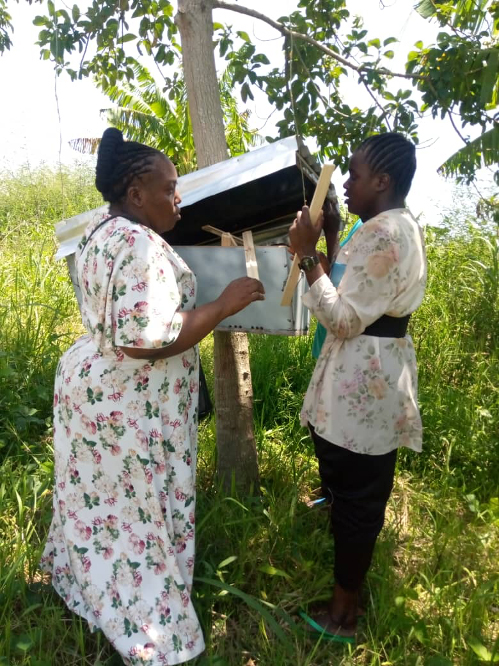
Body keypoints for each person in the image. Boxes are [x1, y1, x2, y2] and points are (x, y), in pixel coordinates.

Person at [40, 128, 265, 665]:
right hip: (128, 403)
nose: (178, 198)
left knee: (99, 504)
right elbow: (146, 339)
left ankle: (88, 590)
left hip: (94, 392)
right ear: (136, 194)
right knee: (136, 512)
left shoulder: (100, 230)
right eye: (168, 189)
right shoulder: (139, 245)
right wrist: (223, 305)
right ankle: (151, 630)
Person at [288, 132, 426, 641]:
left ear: (382, 181)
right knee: (353, 486)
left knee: (359, 500)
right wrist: (330, 237)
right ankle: (345, 578)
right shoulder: (388, 227)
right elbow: (350, 289)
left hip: (364, 379)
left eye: (355, 174)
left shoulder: (384, 234)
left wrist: (306, 255)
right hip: (369, 374)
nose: (345, 183)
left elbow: (344, 318)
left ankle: (344, 614)